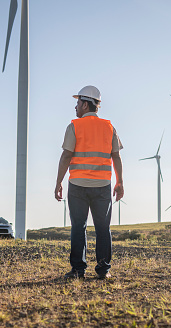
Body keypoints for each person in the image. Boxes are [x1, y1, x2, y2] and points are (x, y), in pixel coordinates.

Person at [54, 85, 124, 279]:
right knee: (103, 229)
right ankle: (104, 270)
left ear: (85, 104)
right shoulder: (109, 127)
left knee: (78, 227)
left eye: (77, 103)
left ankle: (78, 270)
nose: (75, 107)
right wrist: (120, 182)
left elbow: (66, 155)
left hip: (78, 186)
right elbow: (116, 157)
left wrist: (59, 182)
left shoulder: (74, 126)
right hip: (103, 186)